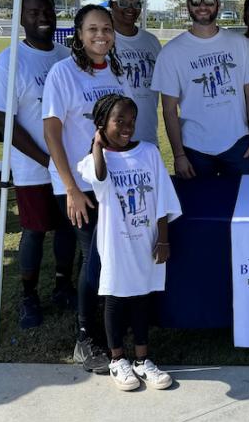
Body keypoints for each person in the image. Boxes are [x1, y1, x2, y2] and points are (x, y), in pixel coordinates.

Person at [0, 0, 75, 328]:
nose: (43, 18)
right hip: (32, 167)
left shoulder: (65, 57)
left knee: (69, 226)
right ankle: (28, 297)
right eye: (34, 12)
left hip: (66, 164)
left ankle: (63, 285)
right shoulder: (9, 61)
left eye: (47, 10)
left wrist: (62, 161)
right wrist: (44, 159)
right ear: (21, 18)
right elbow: (1, 120)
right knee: (35, 231)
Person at [77, 94, 181, 392]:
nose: (127, 127)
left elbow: (162, 197)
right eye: (118, 121)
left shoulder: (148, 152)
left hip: (146, 240)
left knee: (142, 296)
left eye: (131, 121)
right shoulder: (93, 161)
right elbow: (99, 177)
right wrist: (97, 145)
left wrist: (163, 238)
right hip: (116, 243)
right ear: (101, 125)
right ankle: (116, 359)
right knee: (115, 297)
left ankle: (142, 358)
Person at [42, 4, 126, 374]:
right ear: (78, 33)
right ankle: (84, 338)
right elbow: (52, 132)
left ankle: (109, 330)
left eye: (106, 29)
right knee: (93, 257)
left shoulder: (115, 69)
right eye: (92, 29)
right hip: (78, 185)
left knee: (106, 256)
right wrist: (71, 188)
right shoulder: (63, 73)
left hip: (108, 182)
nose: (101, 36)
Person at [152, 0, 249, 179]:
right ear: (188, 6)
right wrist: (178, 154)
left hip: (238, 143)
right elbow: (169, 110)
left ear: (218, 4)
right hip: (194, 148)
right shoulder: (171, 52)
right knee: (200, 207)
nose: (202, 6)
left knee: (243, 205)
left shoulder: (239, 43)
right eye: (196, 1)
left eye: (208, 0)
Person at [108, 0, 162, 146]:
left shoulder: (151, 41)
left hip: (148, 137)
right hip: (113, 141)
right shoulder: (104, 41)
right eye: (123, 3)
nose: (131, 8)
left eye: (136, 3)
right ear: (111, 4)